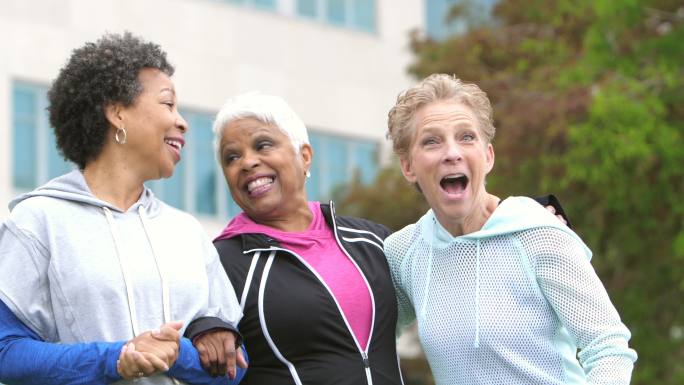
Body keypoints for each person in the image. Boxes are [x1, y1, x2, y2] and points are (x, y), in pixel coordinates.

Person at [189, 92, 567, 384]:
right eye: (231, 157)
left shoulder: (372, 241)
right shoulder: (222, 260)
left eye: (262, 145)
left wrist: (520, 214)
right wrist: (204, 325)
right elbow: (179, 318)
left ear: (305, 156)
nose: (247, 162)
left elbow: (449, 246)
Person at [0, 32, 246, 385]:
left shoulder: (187, 232)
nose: (182, 121)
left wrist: (179, 355)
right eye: (167, 104)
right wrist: (116, 358)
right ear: (117, 112)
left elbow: (237, 368)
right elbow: (5, 352)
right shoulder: (38, 221)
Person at [383, 74, 638, 385]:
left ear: (488, 156)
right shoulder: (403, 253)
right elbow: (360, 341)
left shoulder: (538, 233)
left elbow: (608, 348)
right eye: (431, 141)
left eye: (466, 137)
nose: (452, 152)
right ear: (408, 166)